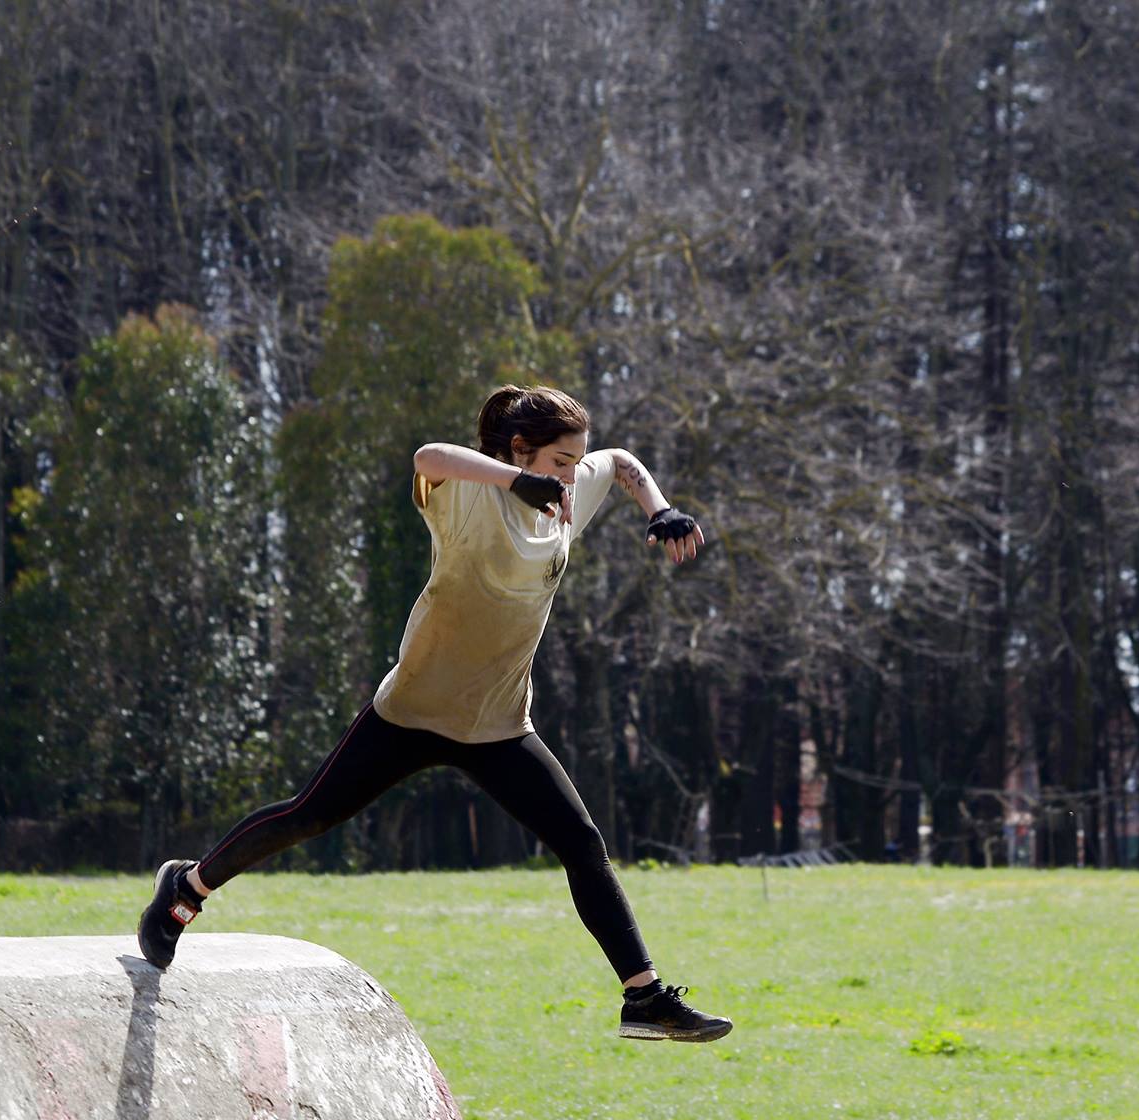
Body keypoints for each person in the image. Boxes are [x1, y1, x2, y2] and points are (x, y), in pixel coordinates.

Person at [137, 383, 731, 1043]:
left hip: (498, 725)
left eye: (573, 462)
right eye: (559, 462)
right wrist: (517, 482)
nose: (570, 475)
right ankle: (187, 887)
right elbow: (428, 456)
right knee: (309, 814)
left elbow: (619, 463)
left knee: (583, 844)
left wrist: (660, 508)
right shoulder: (468, 494)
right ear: (519, 450)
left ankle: (643, 998)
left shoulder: (568, 491)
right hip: (412, 713)